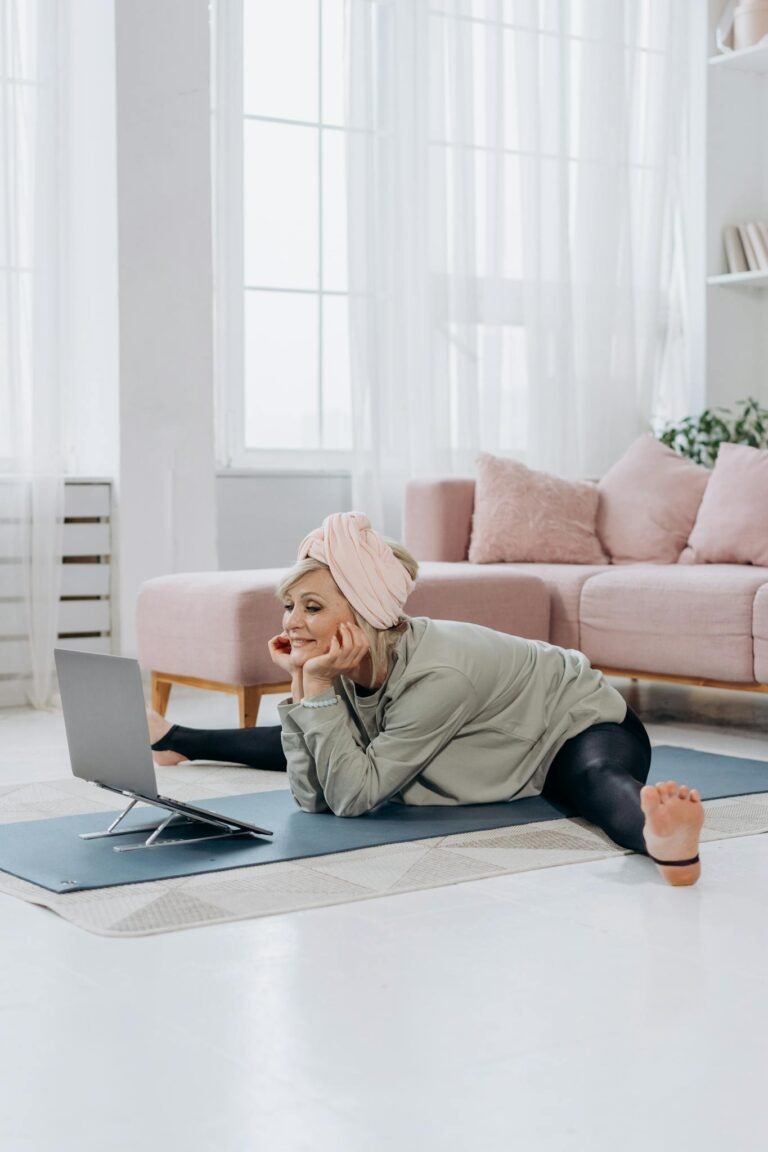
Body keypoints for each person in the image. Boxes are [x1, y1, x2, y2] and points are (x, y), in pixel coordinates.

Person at [149, 512, 704, 887]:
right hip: (498, 740)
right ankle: (176, 739)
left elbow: (352, 798)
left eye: (311, 607)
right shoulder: (344, 658)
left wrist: (312, 690)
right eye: (288, 606)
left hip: (578, 722)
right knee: (344, 733)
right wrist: (304, 687)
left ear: (364, 613)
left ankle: (665, 842)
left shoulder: (440, 674)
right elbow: (312, 796)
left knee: (593, 781)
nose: (292, 624)